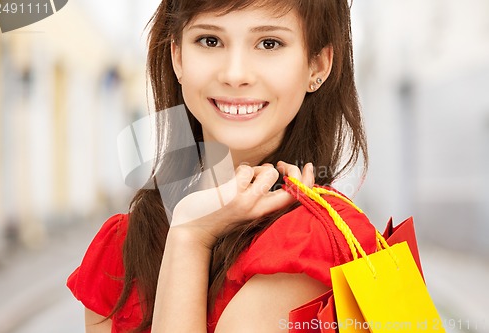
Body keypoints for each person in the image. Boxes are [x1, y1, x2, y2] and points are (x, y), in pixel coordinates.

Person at [67, 0, 377, 332]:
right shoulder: (123, 247)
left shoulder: (314, 244)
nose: (235, 74)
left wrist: (190, 237)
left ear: (317, 65)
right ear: (177, 56)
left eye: (269, 43)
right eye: (210, 41)